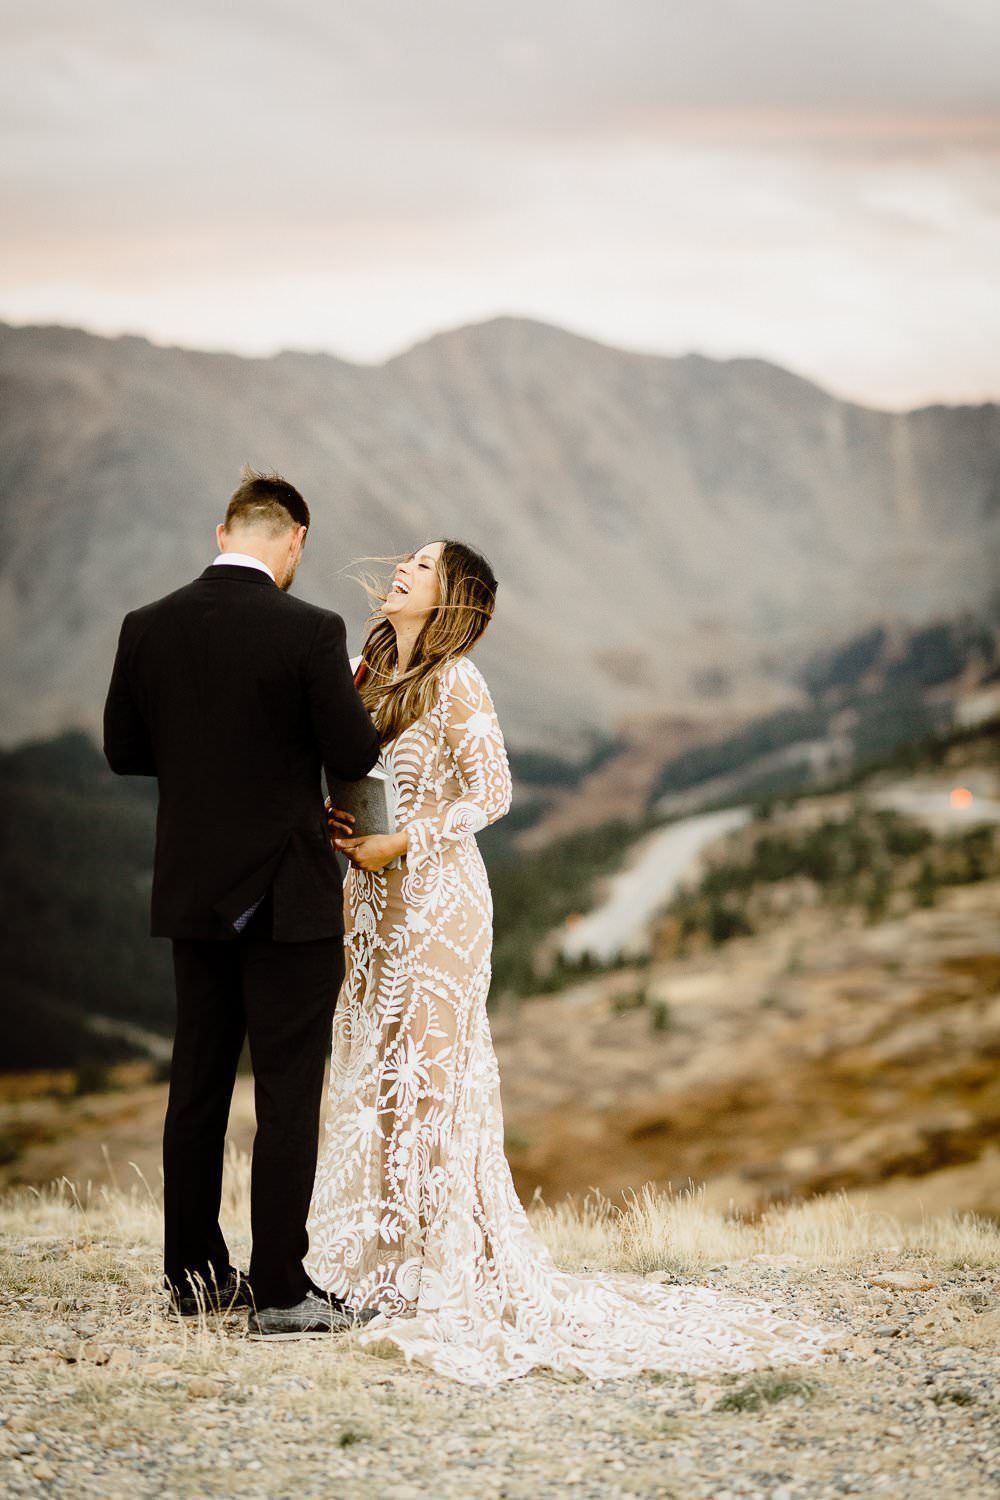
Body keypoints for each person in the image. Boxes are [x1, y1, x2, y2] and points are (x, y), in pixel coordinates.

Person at [306, 541, 836, 1384]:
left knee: (432, 1082)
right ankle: (386, 1262)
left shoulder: (457, 681)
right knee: (381, 1077)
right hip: (369, 907)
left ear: (450, 598)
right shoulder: (366, 675)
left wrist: (405, 840)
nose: (403, 567)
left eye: (425, 566)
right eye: (407, 558)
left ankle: (441, 1271)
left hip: (438, 902)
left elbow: (493, 794)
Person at [103, 466, 381, 1337]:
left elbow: (123, 751)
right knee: (287, 1093)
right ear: (294, 541)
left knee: (197, 1085)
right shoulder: (311, 631)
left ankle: (193, 1278)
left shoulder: (145, 625)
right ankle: (282, 1292)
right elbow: (354, 754)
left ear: (224, 534)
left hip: (193, 889)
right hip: (286, 894)